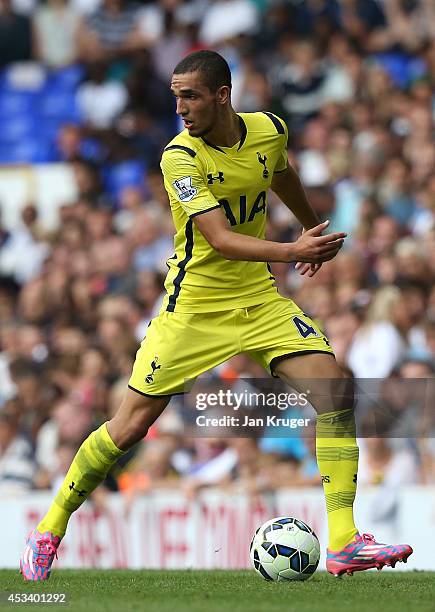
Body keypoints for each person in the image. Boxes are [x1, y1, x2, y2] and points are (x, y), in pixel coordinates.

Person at [20, 50, 412, 581]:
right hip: (194, 310)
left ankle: (343, 539)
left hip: (259, 300)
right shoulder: (179, 157)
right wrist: (294, 252)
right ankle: (51, 527)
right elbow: (222, 240)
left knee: (336, 391)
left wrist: (311, 224)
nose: (180, 108)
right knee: (129, 426)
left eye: (191, 96)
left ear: (222, 95)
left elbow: (281, 171)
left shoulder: (269, 129)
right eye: (176, 96)